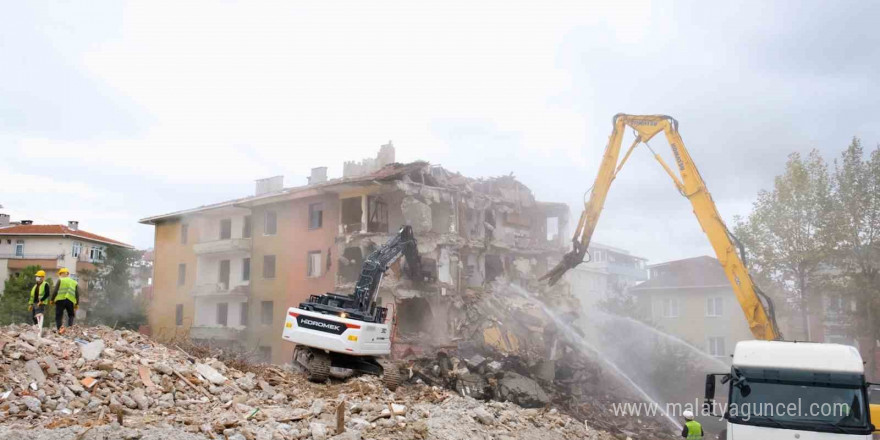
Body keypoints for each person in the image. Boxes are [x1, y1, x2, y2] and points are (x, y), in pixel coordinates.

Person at [50, 267, 79, 333]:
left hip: (60, 300)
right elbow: (77, 294)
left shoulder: (60, 280)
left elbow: (55, 291)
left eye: (60, 274)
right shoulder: (74, 282)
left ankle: (60, 329)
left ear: (61, 274)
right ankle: (70, 327)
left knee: (58, 315)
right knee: (71, 315)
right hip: (70, 300)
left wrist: (52, 299)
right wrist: (77, 303)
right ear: (67, 274)